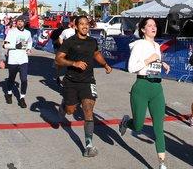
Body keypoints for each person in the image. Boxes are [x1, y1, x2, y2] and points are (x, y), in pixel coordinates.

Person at [55, 15, 112, 157]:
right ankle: (64, 105)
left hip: (88, 81)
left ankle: (89, 146)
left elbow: (96, 54)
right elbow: (58, 59)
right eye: (81, 24)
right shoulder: (69, 42)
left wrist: (105, 64)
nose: (85, 26)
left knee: (88, 109)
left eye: (86, 24)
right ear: (76, 26)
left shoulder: (92, 41)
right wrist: (74, 63)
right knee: (70, 110)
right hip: (71, 81)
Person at [118, 18, 170, 169]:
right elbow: (131, 68)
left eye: (155, 25)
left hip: (157, 88)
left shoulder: (157, 46)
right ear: (142, 30)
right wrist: (148, 60)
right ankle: (126, 122)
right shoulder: (139, 44)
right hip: (141, 87)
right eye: (150, 25)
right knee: (138, 126)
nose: (153, 27)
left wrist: (162, 63)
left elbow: (154, 63)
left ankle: (162, 163)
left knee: (158, 127)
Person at [3, 17, 33, 108]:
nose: (20, 23)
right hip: (13, 60)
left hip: (23, 60)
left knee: (24, 80)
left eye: (22, 21)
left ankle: (22, 98)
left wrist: (28, 48)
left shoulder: (28, 33)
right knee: (11, 79)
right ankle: (9, 93)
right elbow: (5, 45)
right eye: (18, 21)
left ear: (25, 23)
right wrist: (16, 45)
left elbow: (30, 42)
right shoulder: (11, 32)